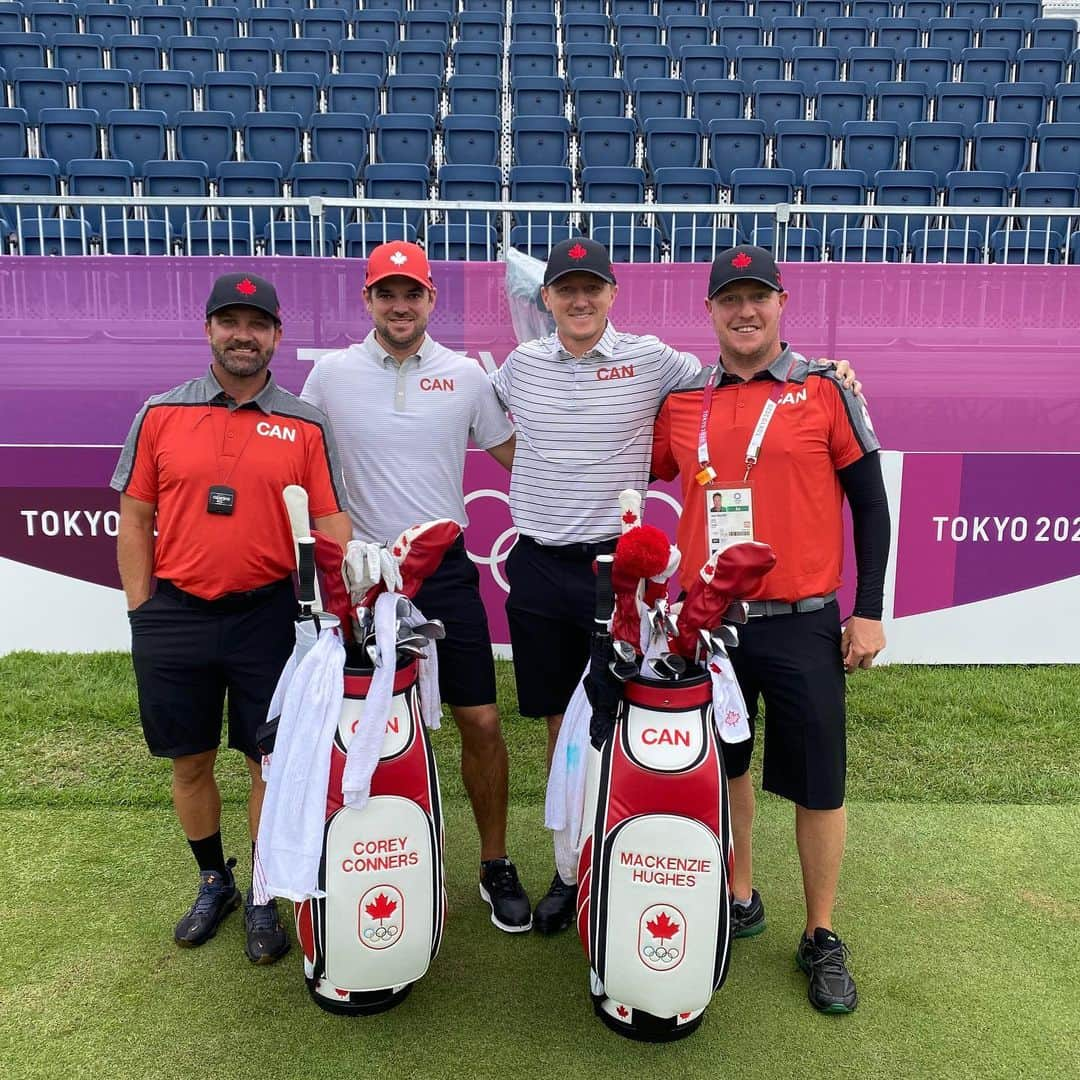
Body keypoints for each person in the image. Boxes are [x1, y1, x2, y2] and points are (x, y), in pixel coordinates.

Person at [650, 245, 890, 1014]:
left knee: (818, 782)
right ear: (710, 312)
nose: (744, 312)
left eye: (757, 298)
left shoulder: (825, 390)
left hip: (804, 621)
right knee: (725, 766)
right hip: (711, 626)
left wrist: (871, 608)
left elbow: (871, 505)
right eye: (729, 300)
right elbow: (640, 466)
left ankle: (821, 934)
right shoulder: (683, 402)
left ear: (782, 303)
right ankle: (738, 892)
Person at [112, 272, 353, 965]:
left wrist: (347, 602)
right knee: (189, 760)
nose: (242, 335)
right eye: (229, 322)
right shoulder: (160, 412)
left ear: (277, 335)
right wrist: (141, 609)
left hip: (268, 617)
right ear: (209, 328)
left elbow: (331, 519)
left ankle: (262, 898)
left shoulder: (305, 422)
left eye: (257, 324)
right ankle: (214, 881)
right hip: (175, 615)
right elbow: (135, 518)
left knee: (265, 763)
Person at [299, 242, 531, 934]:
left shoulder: (463, 375)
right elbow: (296, 453)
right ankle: (371, 859)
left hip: (446, 568)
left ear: (432, 299)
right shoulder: (331, 376)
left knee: (482, 722)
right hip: (361, 578)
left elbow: (522, 454)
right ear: (367, 300)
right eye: (385, 294)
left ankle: (494, 863)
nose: (399, 306)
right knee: (362, 725)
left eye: (413, 294)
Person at [491, 237, 703, 932]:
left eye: (593, 288)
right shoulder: (520, 365)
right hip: (540, 564)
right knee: (562, 724)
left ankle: (624, 853)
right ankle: (569, 867)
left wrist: (824, 371)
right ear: (546, 298)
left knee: (623, 718)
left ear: (613, 294)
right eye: (566, 289)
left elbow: (727, 377)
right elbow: (490, 425)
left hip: (617, 574)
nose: (580, 300)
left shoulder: (652, 358)